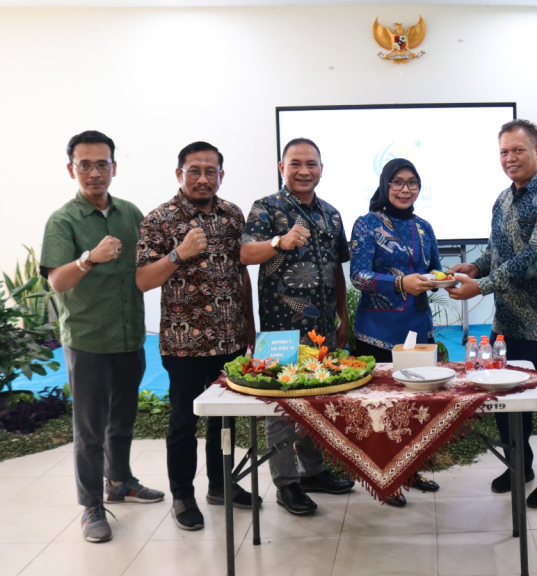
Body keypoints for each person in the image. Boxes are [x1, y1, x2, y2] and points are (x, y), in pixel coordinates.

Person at [447, 119, 537, 508]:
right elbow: (498, 251)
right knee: (504, 397)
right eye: (504, 151)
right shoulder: (502, 200)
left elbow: (536, 258)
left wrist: (482, 286)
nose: (510, 158)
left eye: (518, 150)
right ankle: (518, 464)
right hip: (508, 321)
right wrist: (475, 267)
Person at [40, 130, 164, 543]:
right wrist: (89, 259)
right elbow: (57, 280)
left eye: (102, 164)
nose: (94, 173)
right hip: (88, 339)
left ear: (114, 167)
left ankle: (121, 482)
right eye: (85, 165)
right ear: (71, 169)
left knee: (122, 422)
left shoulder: (130, 213)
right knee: (90, 430)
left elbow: (152, 262)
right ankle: (92, 505)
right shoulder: (63, 220)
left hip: (129, 336)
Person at [136, 142, 259, 531]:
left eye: (211, 171)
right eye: (194, 171)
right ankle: (183, 496)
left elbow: (242, 272)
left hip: (230, 339)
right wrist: (178, 254)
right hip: (184, 342)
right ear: (179, 174)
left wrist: (249, 326)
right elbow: (142, 280)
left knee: (224, 421)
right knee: (183, 423)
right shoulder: (160, 219)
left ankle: (221, 486)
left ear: (221, 175)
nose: (203, 178)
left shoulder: (232, 215)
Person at [240, 137, 355, 516]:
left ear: (322, 168)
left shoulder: (331, 214)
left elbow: (337, 267)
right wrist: (280, 241)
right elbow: (244, 253)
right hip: (280, 330)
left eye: (311, 164)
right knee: (283, 406)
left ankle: (314, 472)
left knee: (318, 402)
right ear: (281, 167)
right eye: (296, 164)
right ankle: (286, 485)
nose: (304, 171)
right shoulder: (266, 208)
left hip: (323, 329)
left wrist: (343, 313)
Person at [348, 157, 443, 506]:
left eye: (412, 183)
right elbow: (357, 277)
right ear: (385, 185)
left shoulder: (424, 227)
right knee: (380, 409)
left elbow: (433, 270)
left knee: (415, 406)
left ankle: (411, 470)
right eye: (398, 182)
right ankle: (383, 478)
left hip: (417, 331)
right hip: (378, 331)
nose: (405, 189)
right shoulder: (368, 224)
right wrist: (401, 282)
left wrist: (438, 279)